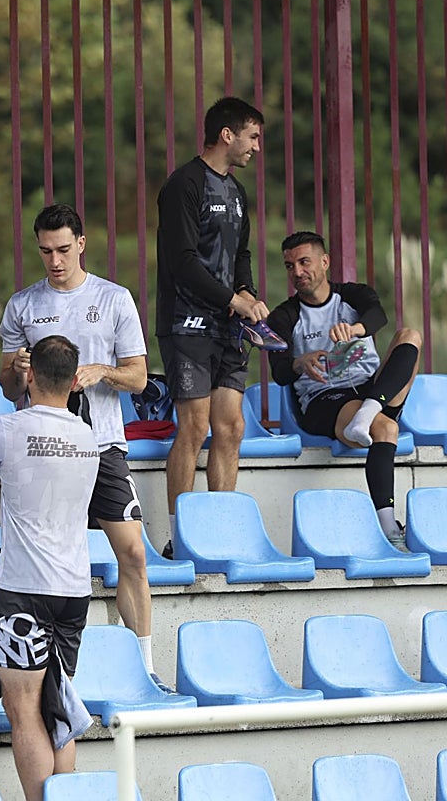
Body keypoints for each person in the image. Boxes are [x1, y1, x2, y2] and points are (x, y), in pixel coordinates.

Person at [0, 203, 173, 693]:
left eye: (62, 250)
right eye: (44, 251)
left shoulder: (114, 299)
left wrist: (102, 372)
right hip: (41, 453)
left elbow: (139, 377)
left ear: (81, 244)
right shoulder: (22, 305)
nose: (54, 261)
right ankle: (49, 671)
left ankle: (142, 665)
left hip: (100, 445)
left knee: (133, 553)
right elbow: (7, 384)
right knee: (48, 560)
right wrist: (16, 369)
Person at [0, 335, 99, 801]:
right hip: (74, 589)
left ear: (29, 374)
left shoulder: (2, 428)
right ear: (76, 381)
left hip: (23, 588)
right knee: (58, 705)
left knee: (25, 711)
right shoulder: (88, 436)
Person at [156, 96, 270, 557]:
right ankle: (180, 537)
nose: (256, 148)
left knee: (232, 426)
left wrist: (247, 294)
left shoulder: (238, 193)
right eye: (253, 136)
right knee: (195, 425)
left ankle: (220, 533)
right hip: (186, 323)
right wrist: (231, 300)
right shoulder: (184, 184)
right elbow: (182, 263)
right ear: (228, 134)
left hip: (227, 327)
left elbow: (239, 256)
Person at [266, 231, 422, 546]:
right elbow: (280, 372)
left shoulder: (353, 295)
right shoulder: (284, 315)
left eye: (304, 262)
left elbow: (378, 316)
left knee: (410, 335)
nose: (297, 272)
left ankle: (370, 410)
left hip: (371, 393)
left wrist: (354, 330)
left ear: (324, 262)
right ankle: (390, 528)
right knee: (387, 429)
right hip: (326, 398)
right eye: (290, 266)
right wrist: (300, 361)